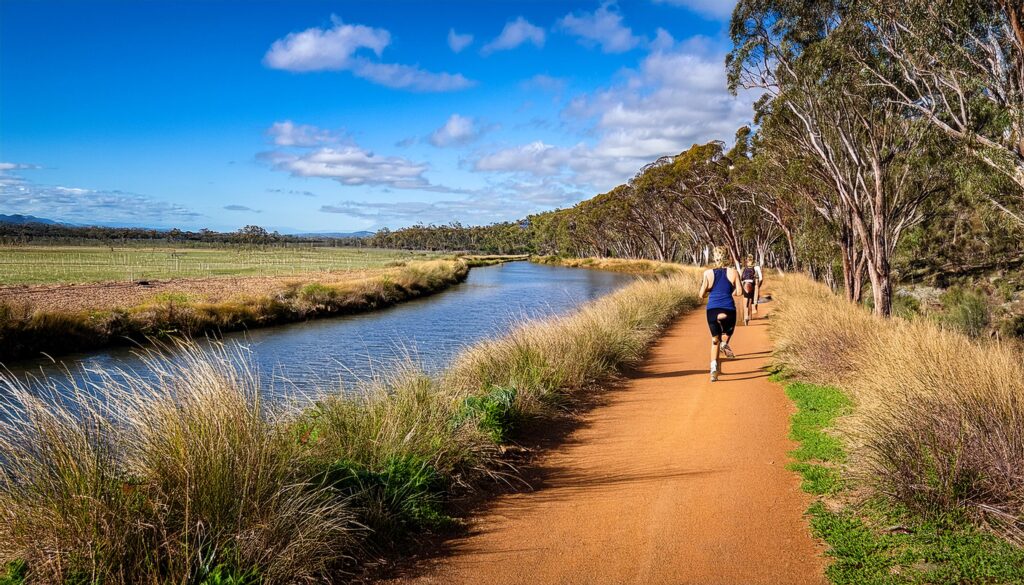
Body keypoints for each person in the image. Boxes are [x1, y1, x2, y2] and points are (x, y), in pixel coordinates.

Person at [698, 246, 743, 382]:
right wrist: (729, 293)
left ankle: (713, 370)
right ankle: (725, 343)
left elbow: (701, 295)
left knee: (714, 341)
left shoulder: (707, 274)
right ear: (728, 257)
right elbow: (740, 292)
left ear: (714, 257)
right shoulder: (733, 272)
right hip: (729, 309)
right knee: (726, 334)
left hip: (712, 310)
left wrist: (709, 292)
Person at [740, 254, 764, 326]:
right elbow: (761, 278)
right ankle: (755, 305)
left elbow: (741, 278)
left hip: (745, 284)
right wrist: (758, 286)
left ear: (747, 260)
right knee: (756, 289)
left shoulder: (744, 268)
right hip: (752, 284)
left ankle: (746, 317)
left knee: (745, 301)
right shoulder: (756, 267)